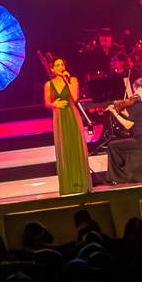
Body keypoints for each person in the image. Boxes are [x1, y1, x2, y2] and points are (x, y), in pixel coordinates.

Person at [43, 58, 91, 196]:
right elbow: (47, 103)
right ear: (52, 69)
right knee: (64, 148)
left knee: (76, 146)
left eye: (62, 64)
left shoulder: (73, 80)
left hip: (72, 115)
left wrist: (67, 81)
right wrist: (54, 105)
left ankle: (81, 183)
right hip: (59, 117)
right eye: (57, 65)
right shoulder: (48, 84)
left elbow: (75, 98)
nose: (60, 66)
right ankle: (69, 185)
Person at [104, 75, 142, 184]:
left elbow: (128, 125)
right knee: (118, 144)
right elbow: (137, 118)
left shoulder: (137, 106)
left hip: (139, 141)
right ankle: (124, 171)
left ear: (139, 89)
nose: (133, 93)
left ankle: (119, 177)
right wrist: (123, 113)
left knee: (112, 145)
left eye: (134, 89)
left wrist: (115, 113)